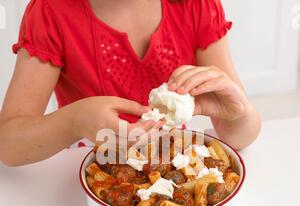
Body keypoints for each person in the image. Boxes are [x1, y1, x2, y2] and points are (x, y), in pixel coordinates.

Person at [0, 0, 261, 166]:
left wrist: (239, 112)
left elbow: (239, 136)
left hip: (171, 161)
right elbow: (8, 145)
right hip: (85, 165)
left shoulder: (197, 6)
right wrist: (74, 120)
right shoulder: (50, 13)